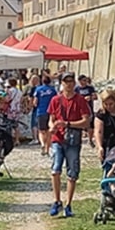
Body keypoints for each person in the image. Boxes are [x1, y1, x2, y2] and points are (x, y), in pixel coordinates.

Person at [45, 75, 92, 217]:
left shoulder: (80, 100)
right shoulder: (55, 100)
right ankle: (57, 200)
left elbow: (86, 121)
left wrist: (68, 124)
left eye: (71, 82)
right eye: (66, 82)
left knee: (72, 173)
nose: (69, 85)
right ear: (62, 84)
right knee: (55, 169)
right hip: (58, 139)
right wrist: (52, 127)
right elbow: (50, 119)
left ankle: (68, 204)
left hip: (73, 140)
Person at [30, 74, 58, 155]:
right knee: (49, 131)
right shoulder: (53, 90)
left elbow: (35, 102)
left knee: (41, 131)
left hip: (40, 112)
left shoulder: (38, 89)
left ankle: (42, 144)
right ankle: (47, 148)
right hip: (50, 112)